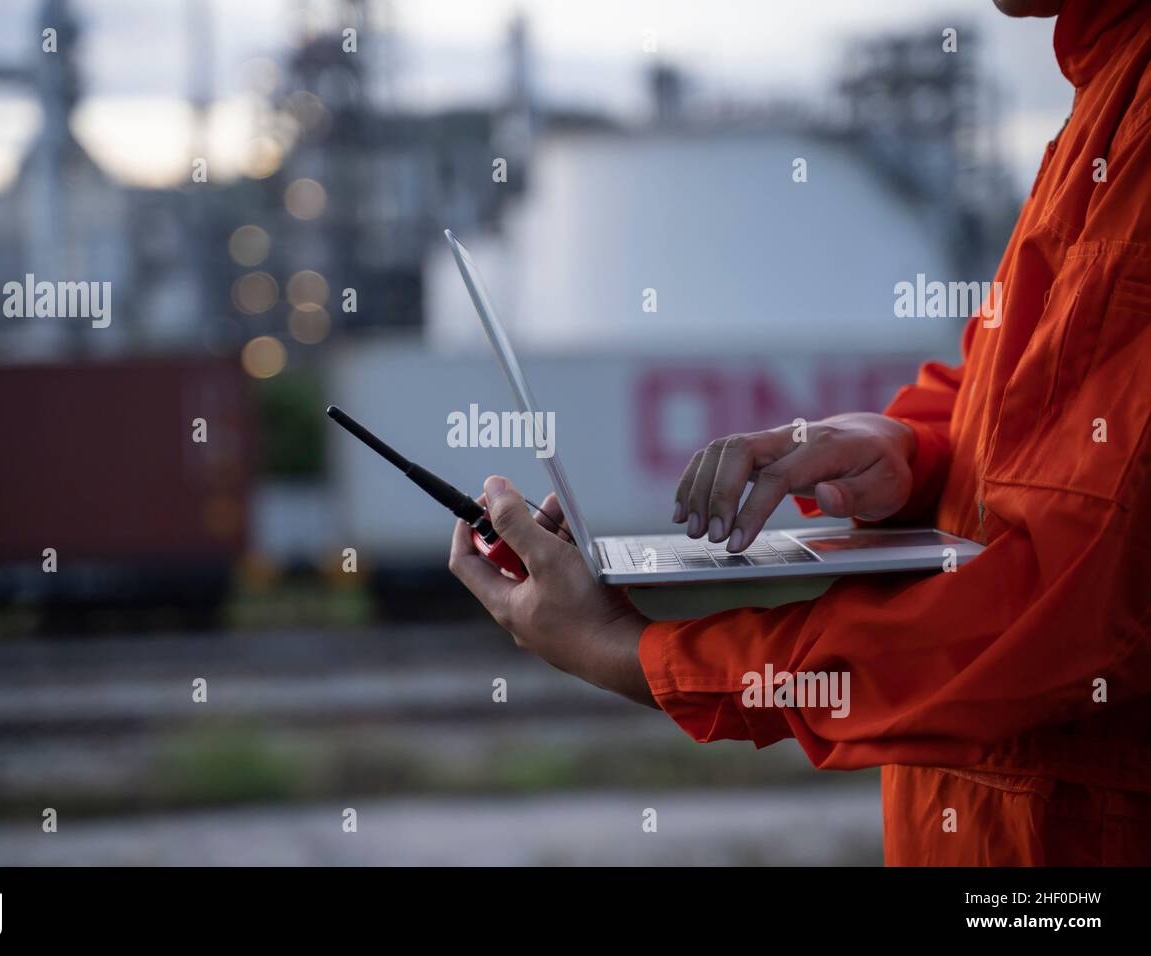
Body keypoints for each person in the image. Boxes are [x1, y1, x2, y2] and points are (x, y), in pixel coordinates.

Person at [448, 0, 1151, 865]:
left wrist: (639, 653)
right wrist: (910, 449)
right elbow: (1044, 413)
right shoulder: (1108, 87)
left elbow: (1061, 613)